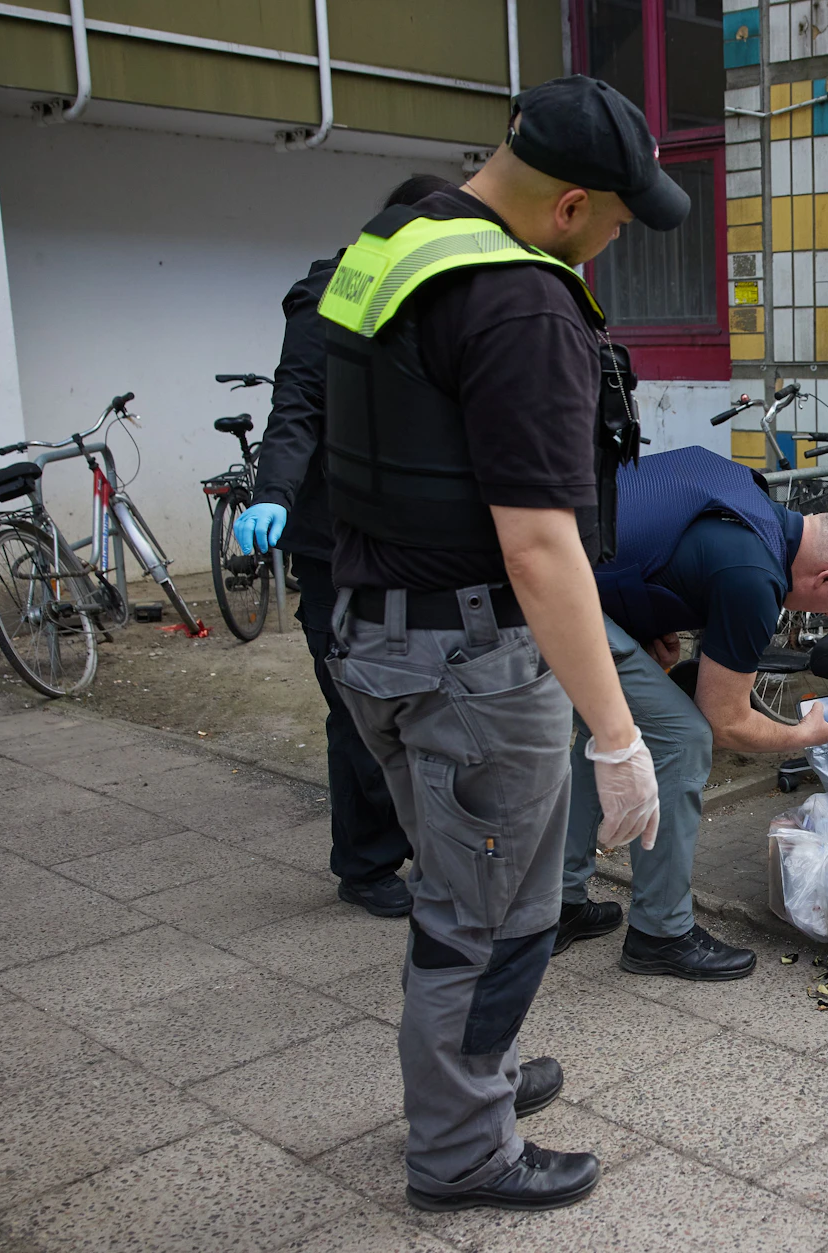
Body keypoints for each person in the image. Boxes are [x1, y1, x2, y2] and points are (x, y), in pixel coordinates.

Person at [314, 76, 684, 1213]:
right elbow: (537, 545)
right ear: (570, 206)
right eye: (617, 224)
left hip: (372, 631)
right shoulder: (522, 304)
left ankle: (473, 1078)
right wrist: (617, 736)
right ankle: (462, 1150)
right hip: (470, 662)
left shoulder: (397, 241)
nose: (612, 245)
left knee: (459, 891)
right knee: (491, 919)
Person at [557, 447, 828, 979]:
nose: (827, 617)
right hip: (542, 592)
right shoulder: (753, 576)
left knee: (611, 719)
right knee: (681, 737)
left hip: (546, 557)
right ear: (827, 578)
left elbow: (645, 527)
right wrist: (800, 734)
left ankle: (559, 904)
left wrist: (641, 621)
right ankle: (660, 934)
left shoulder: (743, 488)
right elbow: (723, 720)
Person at [234, 174, 450, 919]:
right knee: (357, 705)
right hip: (336, 543)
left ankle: (431, 845)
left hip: (412, 541)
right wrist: (271, 494)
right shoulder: (338, 289)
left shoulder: (437, 291)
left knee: (418, 699)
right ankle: (364, 863)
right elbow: (297, 405)